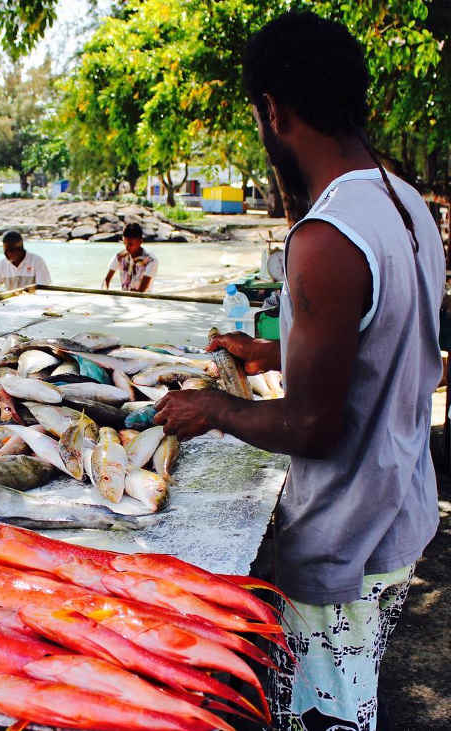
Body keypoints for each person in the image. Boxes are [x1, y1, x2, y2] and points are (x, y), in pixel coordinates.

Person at [153, 12, 443, 731]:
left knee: (327, 717)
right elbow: (392, 340)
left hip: (342, 536)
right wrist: (272, 355)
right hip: (400, 513)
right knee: (357, 691)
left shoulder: (324, 235)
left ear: (273, 111)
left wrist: (212, 409)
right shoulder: (404, 203)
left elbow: (313, 425)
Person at [102, 222, 158, 292]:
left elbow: (142, 291)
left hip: (144, 300)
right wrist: (106, 293)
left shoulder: (151, 260)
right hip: (125, 299)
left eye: (130, 244)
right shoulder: (119, 257)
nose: (127, 248)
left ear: (140, 241)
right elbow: (106, 281)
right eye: (125, 243)